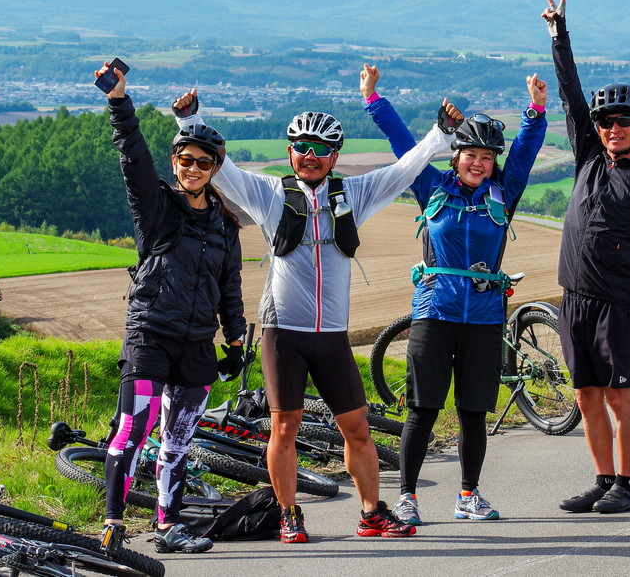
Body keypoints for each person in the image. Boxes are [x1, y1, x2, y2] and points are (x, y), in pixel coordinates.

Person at [172, 88, 461, 543]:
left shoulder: (353, 194)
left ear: (334, 156)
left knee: (357, 429)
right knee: (284, 426)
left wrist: (439, 135)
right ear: (289, 152)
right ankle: (289, 513)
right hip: (283, 331)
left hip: (332, 336)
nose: (310, 155)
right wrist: (191, 122)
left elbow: (402, 172)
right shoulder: (269, 194)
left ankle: (371, 513)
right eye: (302, 148)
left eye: (320, 149)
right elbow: (222, 172)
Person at [359, 64, 548, 526]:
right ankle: (407, 498)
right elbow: (404, 146)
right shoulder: (431, 187)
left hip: (484, 318)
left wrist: (536, 109)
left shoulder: (505, 192)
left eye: (487, 156)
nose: (478, 162)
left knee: (472, 413)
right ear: (454, 155)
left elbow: (524, 152)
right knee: (422, 411)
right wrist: (373, 100)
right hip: (433, 314)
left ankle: (469, 496)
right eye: (470, 154)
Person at [95, 62, 247, 556]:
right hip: (150, 334)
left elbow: (230, 285)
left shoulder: (225, 226)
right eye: (185, 159)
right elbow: (133, 158)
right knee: (132, 430)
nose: (193, 168)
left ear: (215, 169)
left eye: (204, 162)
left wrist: (237, 338)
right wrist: (120, 101)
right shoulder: (157, 207)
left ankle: (168, 526)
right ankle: (113, 523)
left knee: (178, 439)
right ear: (176, 161)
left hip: (197, 344)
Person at [541, 0, 630, 515]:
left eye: (622, 121)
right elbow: (571, 95)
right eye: (605, 122)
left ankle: (627, 484)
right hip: (573, 299)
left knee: (619, 397)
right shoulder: (587, 158)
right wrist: (559, 34)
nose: (611, 127)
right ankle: (602, 480)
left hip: (617, 304)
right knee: (586, 397)